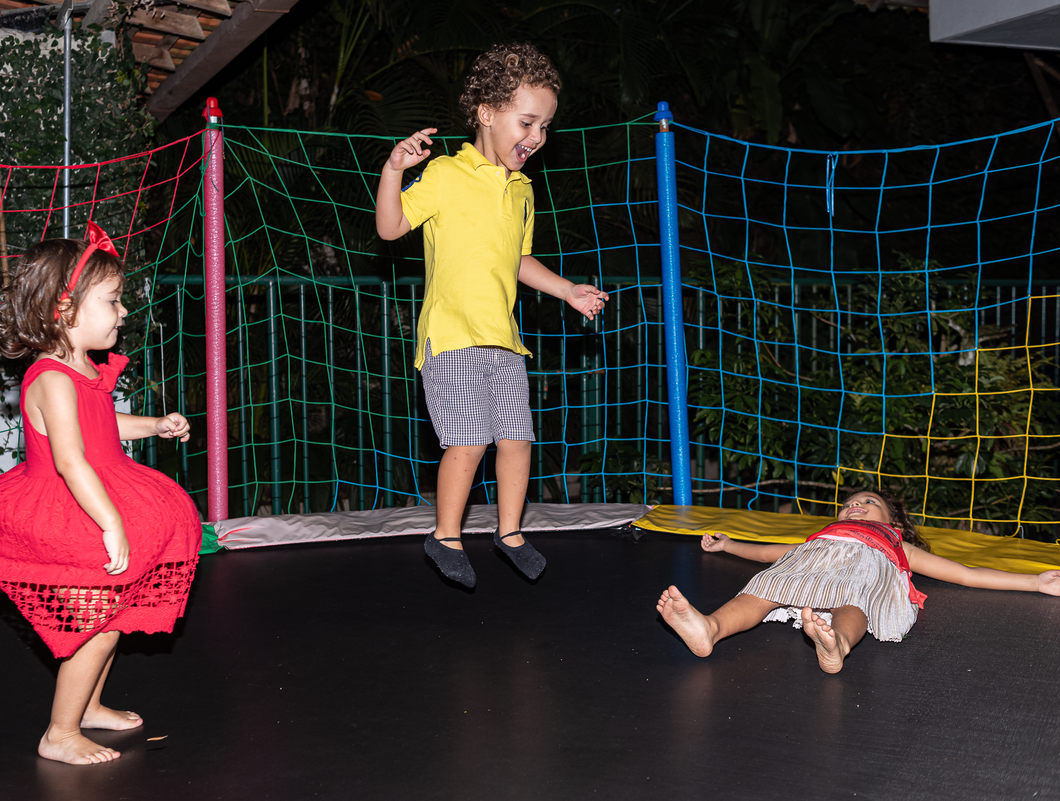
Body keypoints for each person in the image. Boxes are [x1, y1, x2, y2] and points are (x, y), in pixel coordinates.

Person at [0, 224, 202, 764]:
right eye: (112, 301)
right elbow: (70, 461)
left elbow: (102, 423)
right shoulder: (50, 378)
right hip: (72, 506)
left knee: (113, 616)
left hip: (104, 488)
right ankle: (60, 732)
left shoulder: (81, 371)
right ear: (64, 310)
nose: (122, 312)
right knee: (93, 627)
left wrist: (153, 425)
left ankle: (89, 706)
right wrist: (111, 521)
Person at [376, 42, 609, 588]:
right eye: (527, 121)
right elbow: (390, 229)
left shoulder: (522, 190)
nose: (536, 138)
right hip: (451, 337)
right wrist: (393, 170)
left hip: (504, 340)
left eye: (545, 127)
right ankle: (447, 534)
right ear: (486, 114)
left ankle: (510, 532)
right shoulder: (445, 175)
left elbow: (519, 259)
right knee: (468, 439)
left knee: (517, 438)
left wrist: (566, 290)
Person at [657, 489, 1060, 673]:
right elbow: (771, 554)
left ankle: (839, 644)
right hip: (807, 566)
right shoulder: (819, 538)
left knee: (855, 601)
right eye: (850, 503)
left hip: (867, 573)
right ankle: (710, 627)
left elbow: (967, 574)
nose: (855, 506)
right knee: (767, 586)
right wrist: (731, 545)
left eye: (869, 503)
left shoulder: (897, 545)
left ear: (893, 521)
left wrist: (1034, 582)